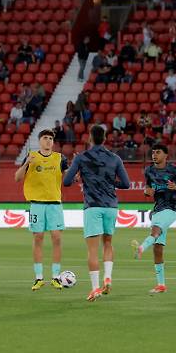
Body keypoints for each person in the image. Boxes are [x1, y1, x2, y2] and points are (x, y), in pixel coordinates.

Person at [62, 125, 130, 302]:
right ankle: (108, 277)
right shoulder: (114, 158)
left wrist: (80, 175)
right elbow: (126, 184)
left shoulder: (82, 157)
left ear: (90, 138)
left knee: (92, 250)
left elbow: (67, 182)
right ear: (105, 138)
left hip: (92, 206)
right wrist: (108, 182)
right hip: (111, 206)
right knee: (108, 243)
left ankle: (95, 289)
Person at [131, 144, 176, 294]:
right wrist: (147, 192)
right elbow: (148, 189)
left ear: (166, 155)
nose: (154, 155)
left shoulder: (174, 170)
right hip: (157, 209)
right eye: (153, 152)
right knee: (158, 248)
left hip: (171, 209)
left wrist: (175, 188)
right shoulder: (149, 171)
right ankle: (161, 285)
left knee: (155, 231)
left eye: (158, 152)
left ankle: (141, 247)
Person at [15, 130, 68, 290]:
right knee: (38, 238)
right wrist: (26, 163)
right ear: (39, 141)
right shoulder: (31, 156)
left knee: (57, 238)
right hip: (36, 204)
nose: (48, 141)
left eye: (51, 138)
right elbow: (17, 178)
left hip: (55, 204)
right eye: (45, 138)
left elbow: (67, 178)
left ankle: (56, 277)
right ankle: (38, 278)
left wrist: (76, 175)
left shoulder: (60, 158)